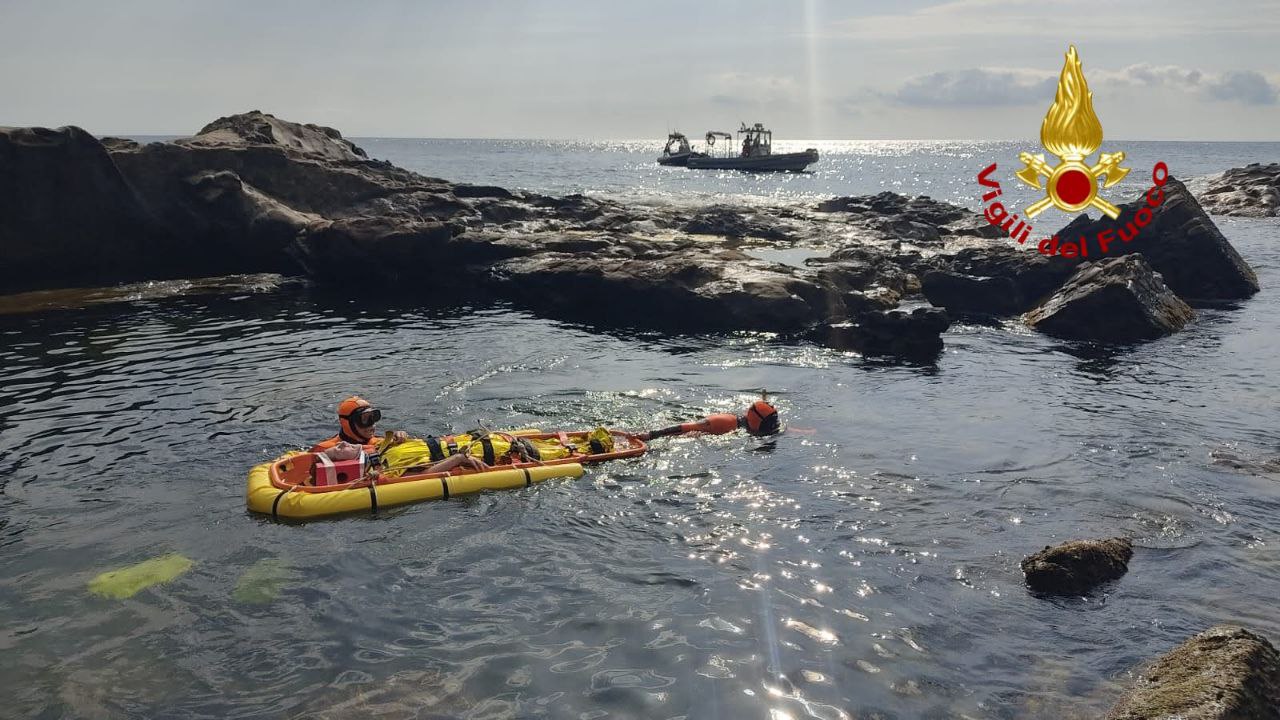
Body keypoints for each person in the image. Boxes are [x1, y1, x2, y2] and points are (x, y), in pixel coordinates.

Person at [310, 396, 491, 475]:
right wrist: (458, 459)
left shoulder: (382, 443)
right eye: (365, 420)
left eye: (374, 418)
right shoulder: (330, 448)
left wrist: (400, 438)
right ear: (347, 423)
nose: (372, 425)